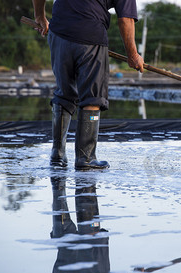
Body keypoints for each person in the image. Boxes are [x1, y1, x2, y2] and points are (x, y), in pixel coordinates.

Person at [32, 0, 144, 170]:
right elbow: (125, 19)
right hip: (90, 35)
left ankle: (57, 155)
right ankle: (86, 157)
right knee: (93, 96)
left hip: (59, 31)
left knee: (64, 93)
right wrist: (133, 55)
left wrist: (39, 16)